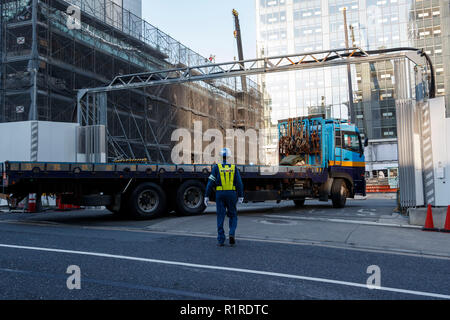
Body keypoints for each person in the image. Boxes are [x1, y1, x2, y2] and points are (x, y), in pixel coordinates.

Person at [204, 148, 244, 247]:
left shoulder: (216, 168)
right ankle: (231, 233)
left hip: (220, 194)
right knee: (233, 215)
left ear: (220, 156)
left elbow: (210, 183)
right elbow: (239, 183)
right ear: (229, 156)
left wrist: (206, 195)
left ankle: (221, 240)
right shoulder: (233, 168)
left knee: (220, 216)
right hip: (231, 194)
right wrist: (241, 195)